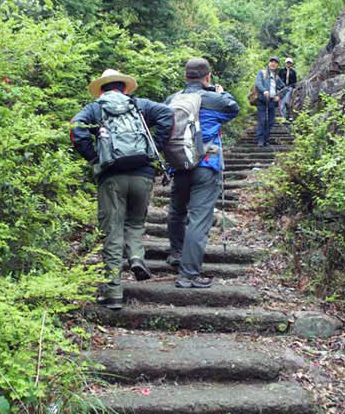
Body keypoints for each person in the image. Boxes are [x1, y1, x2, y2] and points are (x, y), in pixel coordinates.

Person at [70, 69, 173, 309]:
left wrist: (94, 158)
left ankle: (113, 292)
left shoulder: (95, 108)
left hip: (112, 175)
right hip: (143, 173)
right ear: (124, 88)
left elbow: (76, 129)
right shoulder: (139, 105)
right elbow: (167, 115)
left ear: (102, 89)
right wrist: (153, 147)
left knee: (112, 231)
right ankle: (136, 256)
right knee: (135, 223)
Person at [166, 58, 239, 288]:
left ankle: (177, 254)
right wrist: (221, 92)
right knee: (199, 218)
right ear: (207, 76)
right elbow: (233, 108)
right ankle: (189, 274)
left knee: (177, 210)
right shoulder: (214, 99)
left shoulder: (172, 99)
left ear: (186, 76)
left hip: (178, 164)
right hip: (206, 164)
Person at [254, 56, 285, 147]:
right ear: (268, 63)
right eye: (272, 61)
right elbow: (258, 83)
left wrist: (279, 96)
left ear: (277, 65)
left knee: (271, 121)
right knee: (262, 120)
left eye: (275, 62)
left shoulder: (276, 77)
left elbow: (284, 88)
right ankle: (260, 140)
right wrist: (264, 90)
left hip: (272, 101)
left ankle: (266, 139)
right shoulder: (262, 73)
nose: (273, 63)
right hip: (262, 100)